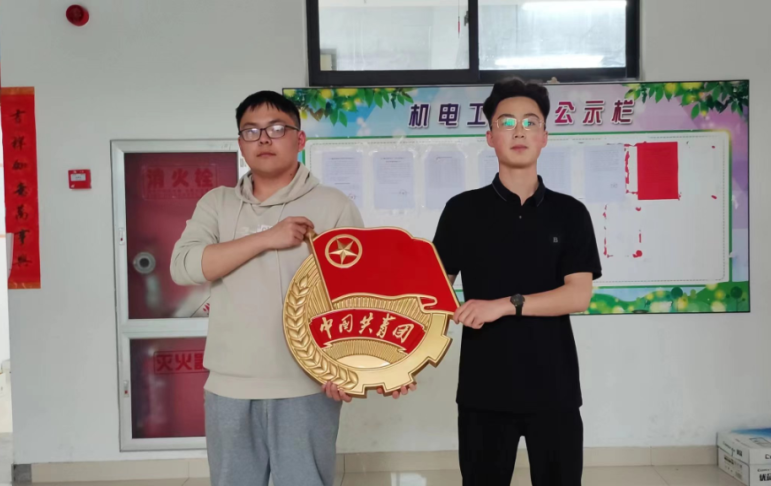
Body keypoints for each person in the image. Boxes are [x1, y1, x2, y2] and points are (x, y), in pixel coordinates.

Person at [171, 90, 412, 486]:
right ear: (240, 144)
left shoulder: (332, 205)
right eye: (251, 131)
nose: (264, 139)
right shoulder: (217, 204)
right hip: (230, 385)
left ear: (300, 140)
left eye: (276, 128)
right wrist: (268, 238)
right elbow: (184, 267)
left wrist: (350, 368)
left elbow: (359, 296)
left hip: (307, 385)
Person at [433, 79, 602, 486]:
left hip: (555, 388)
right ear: (490, 137)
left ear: (545, 136)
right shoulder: (462, 211)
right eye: (506, 122)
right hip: (483, 390)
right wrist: (395, 366)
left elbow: (578, 295)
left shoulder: (570, 213)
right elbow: (431, 293)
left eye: (531, 122)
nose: (519, 131)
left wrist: (504, 305)